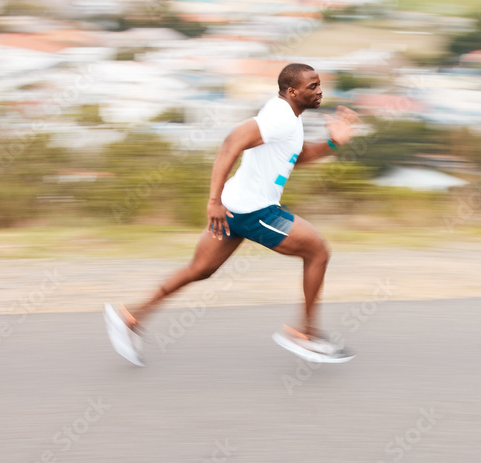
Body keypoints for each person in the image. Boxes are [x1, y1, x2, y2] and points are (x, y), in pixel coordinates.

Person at [104, 63, 360, 366]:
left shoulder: (286, 116)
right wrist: (212, 201)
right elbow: (230, 144)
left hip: (233, 208)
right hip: (254, 211)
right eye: (312, 86)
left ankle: (130, 318)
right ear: (293, 91)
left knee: (199, 270)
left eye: (319, 85)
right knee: (317, 252)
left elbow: (296, 155)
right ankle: (304, 334)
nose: (319, 91)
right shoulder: (279, 117)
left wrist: (332, 143)